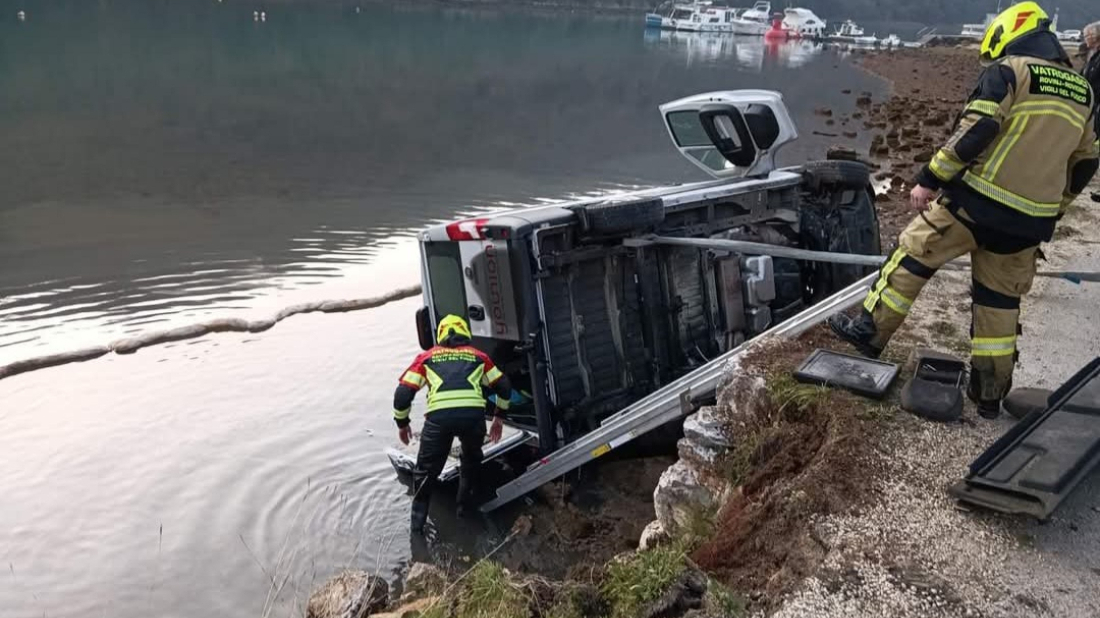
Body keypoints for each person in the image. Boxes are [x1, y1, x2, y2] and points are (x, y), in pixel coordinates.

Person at [829, 2, 1099, 418]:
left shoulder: (1009, 71)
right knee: (999, 305)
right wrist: (1055, 208)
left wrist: (929, 178)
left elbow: (977, 129)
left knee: (912, 252)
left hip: (977, 203)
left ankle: (868, 333)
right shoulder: (1083, 90)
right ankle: (989, 394)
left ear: (1009, 33)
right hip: (1029, 223)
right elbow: (1085, 163)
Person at [392, 314, 512, 534]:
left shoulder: (426, 358)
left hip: (439, 419)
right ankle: (464, 509)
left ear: (440, 336)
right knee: (471, 460)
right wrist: (498, 418)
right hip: (473, 418)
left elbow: (402, 394)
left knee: (425, 473)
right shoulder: (479, 356)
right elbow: (503, 386)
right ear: (465, 334)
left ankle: (417, 530)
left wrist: (403, 423)